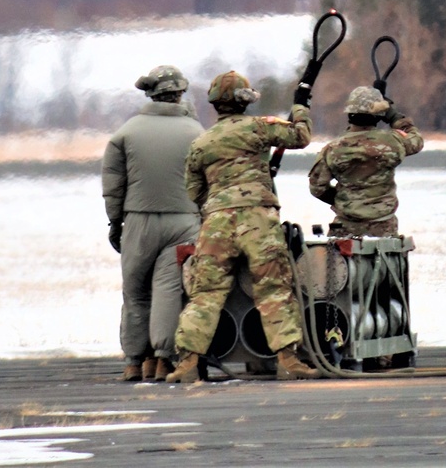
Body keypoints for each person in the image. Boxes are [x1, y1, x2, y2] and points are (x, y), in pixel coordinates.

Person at [167, 70, 318, 384]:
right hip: (258, 220)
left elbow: (194, 192)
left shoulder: (201, 143)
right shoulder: (260, 128)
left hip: (217, 221)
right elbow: (300, 137)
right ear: (245, 101)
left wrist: (219, 202)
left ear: (214, 105)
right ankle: (288, 361)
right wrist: (301, 106)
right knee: (274, 289)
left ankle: (187, 365)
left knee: (205, 293)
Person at [102, 64, 203, 382]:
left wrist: (115, 222)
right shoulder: (197, 133)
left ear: (150, 94)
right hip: (185, 221)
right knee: (169, 290)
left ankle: (134, 362)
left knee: (135, 292)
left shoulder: (126, 133)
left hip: (138, 220)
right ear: (179, 95)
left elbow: (114, 184)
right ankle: (162, 359)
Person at [308, 86, 424, 237]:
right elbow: (416, 140)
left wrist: (346, 200)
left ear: (350, 113)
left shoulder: (332, 149)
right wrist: (393, 115)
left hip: (345, 227)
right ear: (378, 116)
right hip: (384, 227)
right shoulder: (393, 142)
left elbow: (317, 187)